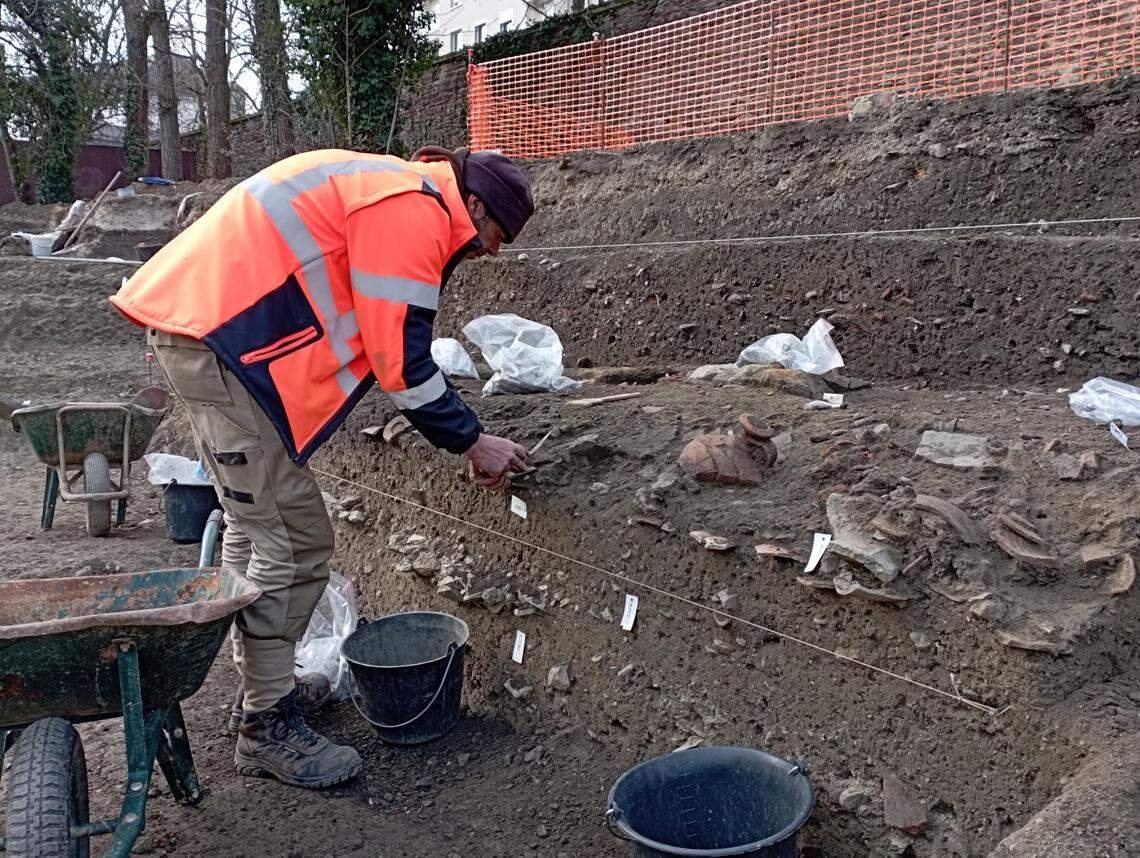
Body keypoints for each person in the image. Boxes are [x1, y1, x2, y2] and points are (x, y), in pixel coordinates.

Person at [110, 146, 533, 788]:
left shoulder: (393, 188)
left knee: (252, 529)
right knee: (296, 541)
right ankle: (266, 725)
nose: (493, 252)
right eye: (497, 234)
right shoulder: (415, 211)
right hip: (221, 342)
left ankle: (262, 690)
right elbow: (403, 364)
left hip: (207, 333)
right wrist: (473, 442)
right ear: (474, 205)